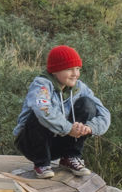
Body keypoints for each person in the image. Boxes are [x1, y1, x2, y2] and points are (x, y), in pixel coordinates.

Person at [14, 45, 111, 178]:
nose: (75, 74)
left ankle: (70, 157)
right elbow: (43, 110)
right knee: (39, 112)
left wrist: (89, 128)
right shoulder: (41, 85)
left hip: (59, 142)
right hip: (31, 143)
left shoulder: (80, 87)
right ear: (55, 70)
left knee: (87, 104)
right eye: (69, 69)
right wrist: (69, 128)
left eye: (78, 69)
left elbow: (104, 113)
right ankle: (41, 163)